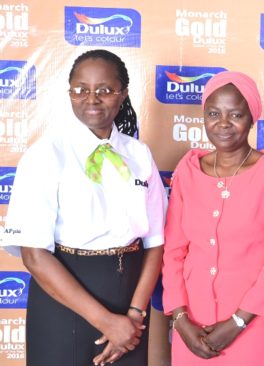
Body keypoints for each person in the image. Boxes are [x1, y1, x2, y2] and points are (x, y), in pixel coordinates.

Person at [1, 49, 166, 366]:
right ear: (70, 93)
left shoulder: (139, 155)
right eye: (81, 89)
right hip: (62, 302)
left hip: (130, 304)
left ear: (122, 94)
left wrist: (133, 315)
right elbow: (34, 256)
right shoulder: (45, 156)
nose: (92, 99)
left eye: (104, 90)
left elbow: (155, 242)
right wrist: (107, 323)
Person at [161, 70, 264, 365]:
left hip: (253, 322)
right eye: (213, 113)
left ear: (252, 118)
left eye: (235, 114)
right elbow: (173, 251)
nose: (223, 124)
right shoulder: (188, 170)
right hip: (192, 326)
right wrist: (180, 317)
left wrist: (238, 321)